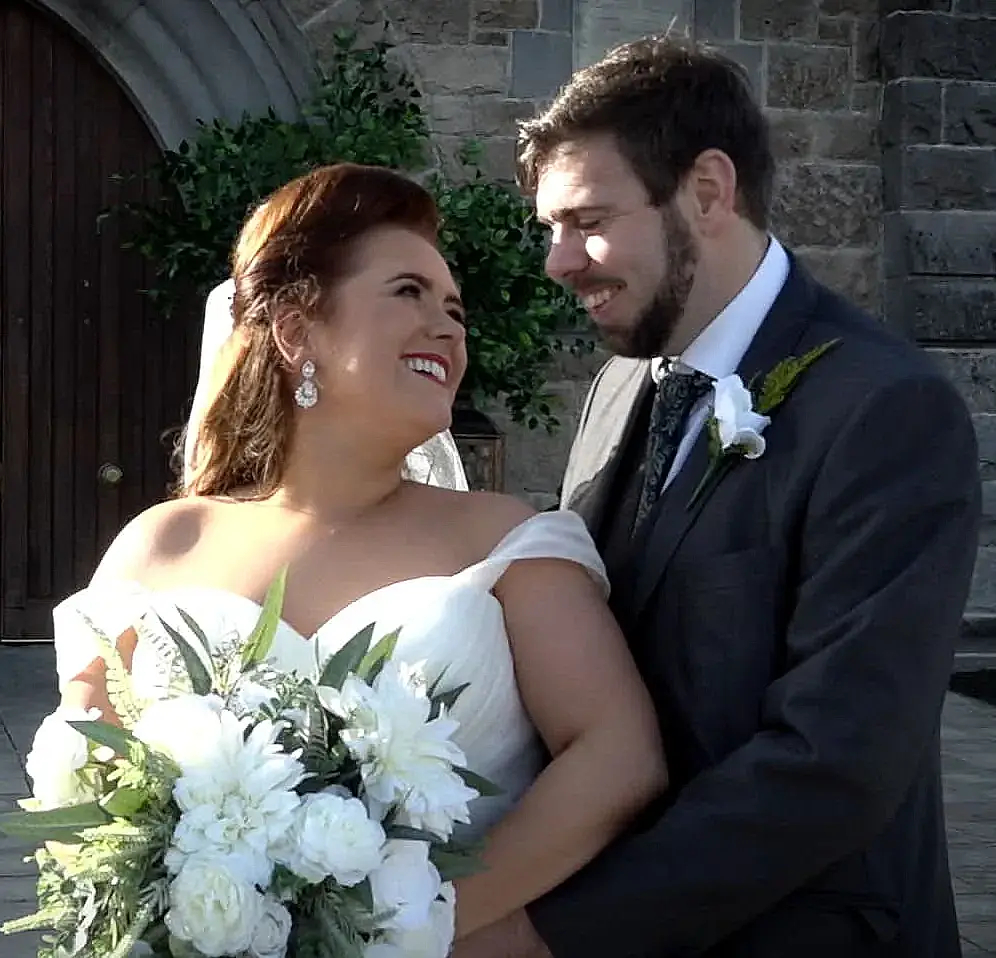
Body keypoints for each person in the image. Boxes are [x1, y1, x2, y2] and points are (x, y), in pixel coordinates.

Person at [453, 34, 981, 958]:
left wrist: (551, 932)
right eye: (551, 229)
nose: (558, 262)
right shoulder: (618, 390)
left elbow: (837, 762)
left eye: (586, 221)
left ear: (706, 191)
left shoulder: (888, 409)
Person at [50, 161, 667, 943]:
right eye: (407, 292)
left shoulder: (509, 541)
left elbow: (618, 756)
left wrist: (400, 930)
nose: (448, 327)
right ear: (297, 328)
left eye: (455, 309)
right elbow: (88, 790)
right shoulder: (162, 543)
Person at [183, 279, 471, 491]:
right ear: (296, 335)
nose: (453, 331)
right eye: (405, 293)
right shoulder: (176, 541)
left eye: (455, 313)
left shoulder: (483, 536)